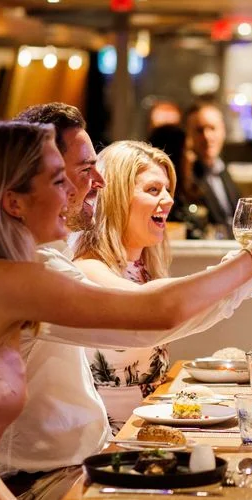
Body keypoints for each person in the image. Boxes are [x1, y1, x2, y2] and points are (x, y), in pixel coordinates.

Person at [0, 103, 252, 500]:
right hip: (40, 482)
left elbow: (156, 314)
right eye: (80, 170)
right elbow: (149, 318)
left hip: (87, 459)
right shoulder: (27, 271)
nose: (99, 182)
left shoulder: (46, 258)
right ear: (19, 193)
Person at [73, 140, 177, 429]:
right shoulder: (89, 268)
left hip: (148, 429)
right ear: (117, 198)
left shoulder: (145, 268)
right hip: (107, 440)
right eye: (153, 190)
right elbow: (157, 308)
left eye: (168, 190)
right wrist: (246, 266)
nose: (169, 200)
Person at [180, 100, 241, 237]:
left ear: (223, 131)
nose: (207, 136)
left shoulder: (223, 170)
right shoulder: (185, 177)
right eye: (199, 130)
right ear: (188, 134)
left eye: (212, 128)